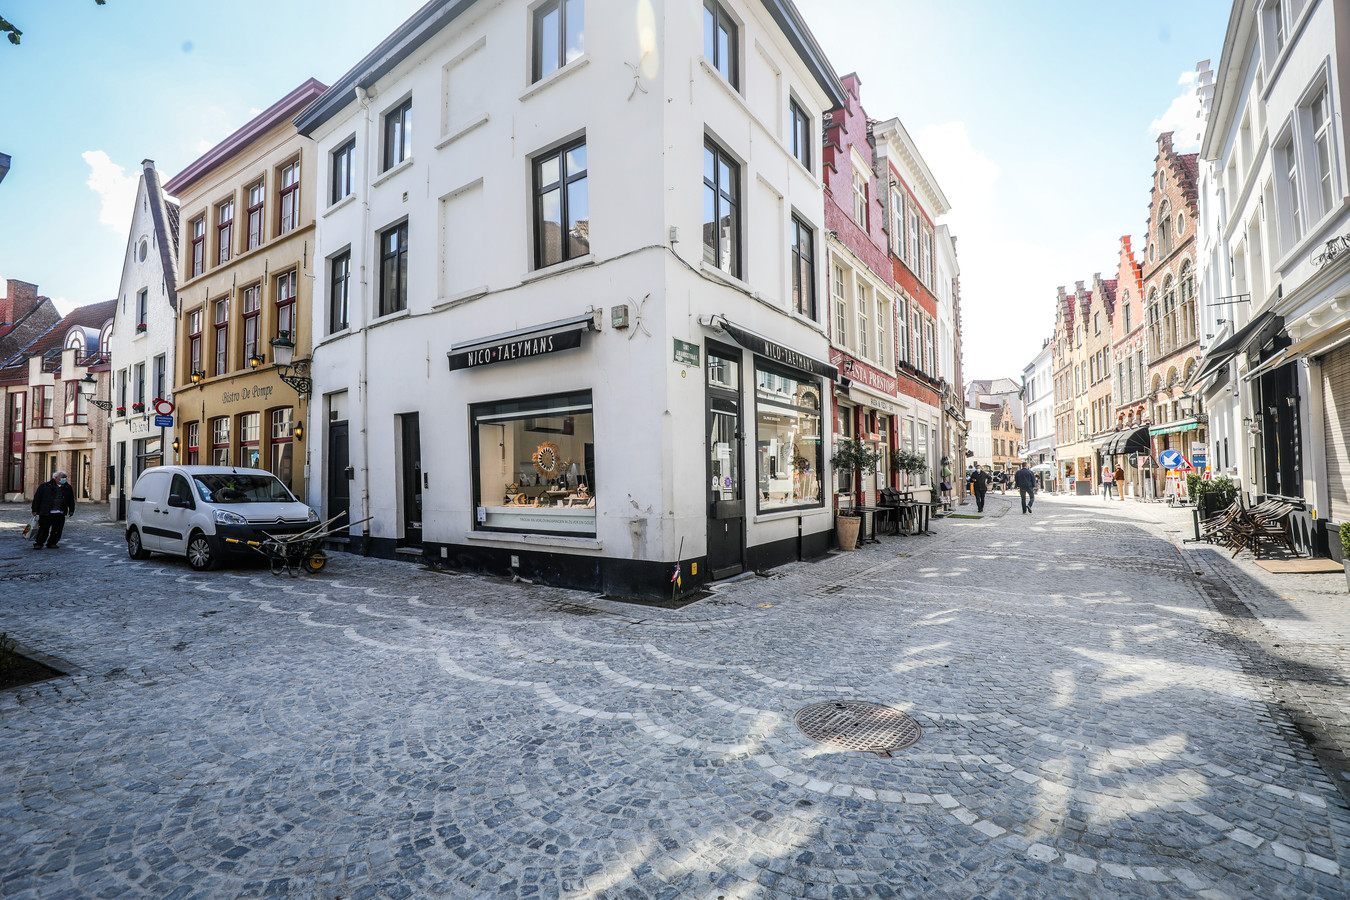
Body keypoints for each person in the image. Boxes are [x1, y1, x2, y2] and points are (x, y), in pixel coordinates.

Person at [31, 469, 75, 549]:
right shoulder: (45, 486)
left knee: (57, 529)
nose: (64, 479)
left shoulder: (67, 487)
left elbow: (71, 500)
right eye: (62, 477)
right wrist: (34, 509)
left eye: (65, 477)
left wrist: (71, 510)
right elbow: (37, 498)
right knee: (44, 529)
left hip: (60, 512)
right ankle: (39, 543)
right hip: (46, 512)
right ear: (56, 477)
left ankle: (52, 542)